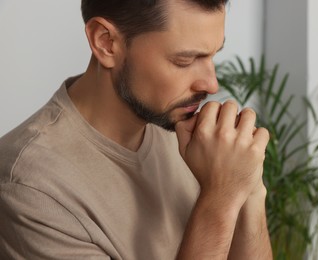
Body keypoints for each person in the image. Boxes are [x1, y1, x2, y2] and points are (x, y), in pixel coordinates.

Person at [0, 0, 272, 259]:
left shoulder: (192, 134)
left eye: (213, 55)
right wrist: (221, 195)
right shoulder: (31, 186)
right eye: (185, 61)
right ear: (105, 43)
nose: (211, 84)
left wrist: (249, 189)